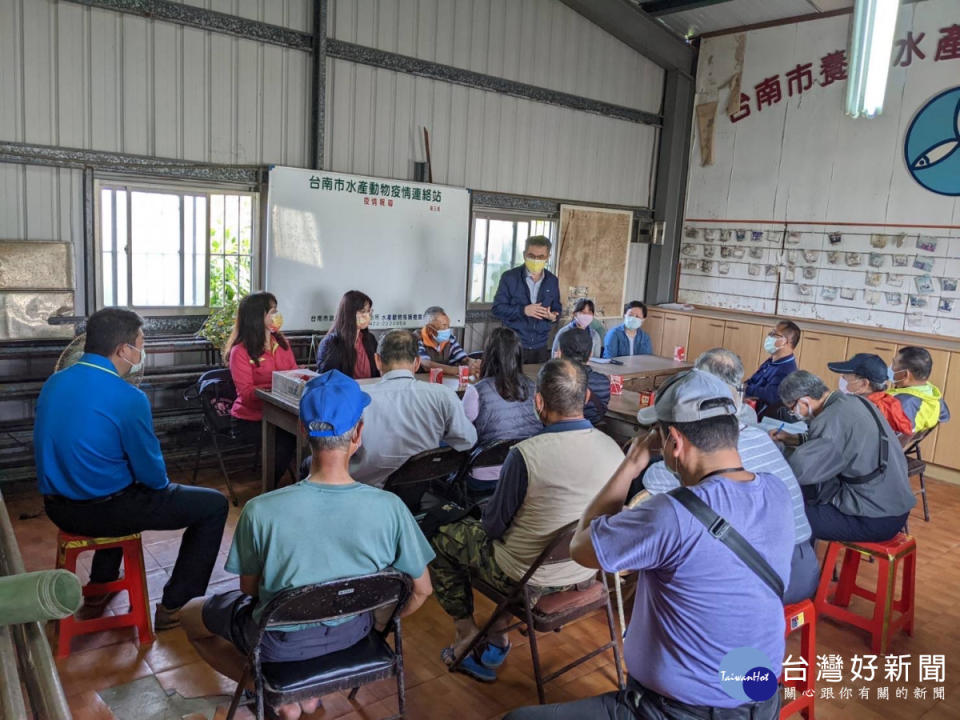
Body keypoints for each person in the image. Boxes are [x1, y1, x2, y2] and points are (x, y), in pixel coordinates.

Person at [505, 369, 792, 720]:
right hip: (762, 700)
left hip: (679, 711)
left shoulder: (671, 514)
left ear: (673, 441)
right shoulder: (776, 491)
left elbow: (582, 547)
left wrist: (632, 462)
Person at [181, 370, 434, 720]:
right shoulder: (390, 508)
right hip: (354, 634)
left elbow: (250, 589)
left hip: (279, 645)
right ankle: (302, 692)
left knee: (190, 615)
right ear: (358, 433)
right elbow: (422, 591)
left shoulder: (260, 510)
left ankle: (274, 691)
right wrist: (377, 626)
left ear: (302, 430)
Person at [430, 359, 624, 683]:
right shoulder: (615, 450)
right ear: (587, 396)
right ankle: (498, 635)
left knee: (442, 535)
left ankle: (466, 634)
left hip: (526, 575)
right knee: (524, 542)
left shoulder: (526, 454)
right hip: (586, 566)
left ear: (539, 402)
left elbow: (492, 528)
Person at [34, 309, 228, 631]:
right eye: (141, 343)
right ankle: (176, 606)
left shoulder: (55, 382)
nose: (142, 350)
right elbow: (154, 478)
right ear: (124, 349)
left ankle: (101, 585)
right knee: (212, 505)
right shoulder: (129, 397)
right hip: (105, 511)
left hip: (57, 507)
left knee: (114, 483)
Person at [641, 349, 818, 604]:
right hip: (804, 565)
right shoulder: (755, 435)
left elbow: (652, 482)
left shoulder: (707, 452)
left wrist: (644, 458)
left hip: (767, 580)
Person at [774, 371, 915, 542]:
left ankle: (806, 568)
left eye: (792, 409)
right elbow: (841, 441)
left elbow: (801, 471)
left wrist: (772, 460)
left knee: (786, 514)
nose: (794, 414)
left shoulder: (831, 419)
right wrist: (793, 438)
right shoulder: (856, 401)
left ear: (804, 401)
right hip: (894, 505)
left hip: (874, 517)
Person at [351, 330, 477, 489]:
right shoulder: (443, 395)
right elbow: (468, 440)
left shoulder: (357, 399)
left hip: (366, 492)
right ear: (417, 362)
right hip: (420, 490)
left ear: (377, 360)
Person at [225, 291, 299, 488]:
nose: (277, 316)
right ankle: (270, 490)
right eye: (272, 311)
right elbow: (248, 394)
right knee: (286, 441)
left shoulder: (282, 344)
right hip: (251, 418)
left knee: (307, 434)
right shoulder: (239, 352)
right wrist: (279, 387)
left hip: (284, 413)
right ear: (258, 317)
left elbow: (294, 374)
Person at [460, 328, 542, 493]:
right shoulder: (534, 388)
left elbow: (461, 435)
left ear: (488, 355)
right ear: (519, 355)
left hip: (485, 478)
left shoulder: (477, 391)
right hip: (526, 473)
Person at [491, 235, 561, 364]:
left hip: (540, 346)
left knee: (536, 382)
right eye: (531, 256)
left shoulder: (552, 281)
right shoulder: (509, 278)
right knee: (510, 382)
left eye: (540, 257)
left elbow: (557, 309)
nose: (536, 260)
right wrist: (523, 310)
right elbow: (497, 309)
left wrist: (553, 316)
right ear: (524, 255)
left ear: (547, 257)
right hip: (512, 345)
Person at [826, 353, 912, 435]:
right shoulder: (890, 403)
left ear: (864, 384)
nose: (842, 379)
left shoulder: (858, 411)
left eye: (845, 376)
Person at [315, 290, 379, 379]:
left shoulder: (370, 339)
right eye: (363, 311)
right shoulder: (331, 344)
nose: (367, 315)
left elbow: (377, 373)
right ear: (349, 313)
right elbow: (329, 381)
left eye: (369, 311)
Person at [744, 320, 800, 419]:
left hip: (759, 416)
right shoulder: (772, 360)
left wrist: (746, 388)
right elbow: (753, 380)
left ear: (785, 341)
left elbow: (770, 396)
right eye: (771, 333)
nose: (769, 336)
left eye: (774, 334)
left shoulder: (787, 370)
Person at [888, 346, 951, 434]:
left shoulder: (899, 403)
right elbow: (945, 416)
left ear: (905, 375)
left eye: (894, 364)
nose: (891, 368)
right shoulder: (934, 398)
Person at [557, 327, 609, 427]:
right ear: (590, 354)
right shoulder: (603, 382)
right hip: (593, 432)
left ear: (560, 353)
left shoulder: (554, 380)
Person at [417, 305, 478, 377]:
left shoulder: (450, 339)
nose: (448, 330)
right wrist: (457, 370)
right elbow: (426, 365)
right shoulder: (417, 339)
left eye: (448, 326)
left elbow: (463, 359)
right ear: (430, 330)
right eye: (444, 326)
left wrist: (474, 363)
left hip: (445, 382)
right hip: (423, 382)